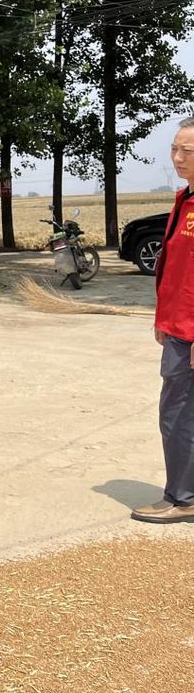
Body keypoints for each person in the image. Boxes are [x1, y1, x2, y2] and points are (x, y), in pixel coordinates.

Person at [134, 116, 194, 525]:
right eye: (174, 148)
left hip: (189, 331)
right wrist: (162, 317)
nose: (176, 157)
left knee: (178, 415)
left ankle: (183, 498)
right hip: (176, 324)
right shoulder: (184, 199)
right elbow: (174, 268)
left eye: (186, 151)